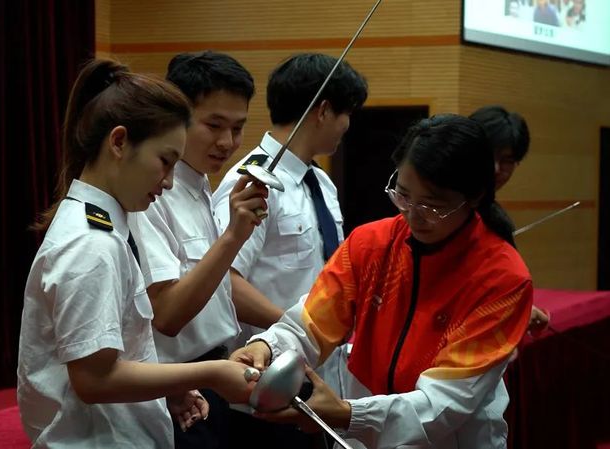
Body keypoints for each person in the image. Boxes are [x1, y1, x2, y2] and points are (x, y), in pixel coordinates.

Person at [231, 114, 534, 449]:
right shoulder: (371, 244)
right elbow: (313, 323)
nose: (413, 215)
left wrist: (349, 414)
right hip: (362, 433)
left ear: (474, 197)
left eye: (433, 207)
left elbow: (444, 404)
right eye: (402, 195)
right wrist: (267, 348)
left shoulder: (502, 280)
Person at [17, 59, 256, 449]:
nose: (168, 182)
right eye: (164, 162)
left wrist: (166, 387)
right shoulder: (92, 242)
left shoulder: (105, 225)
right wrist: (209, 374)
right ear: (119, 142)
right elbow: (94, 380)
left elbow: (118, 352)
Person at [212, 53, 367, 449]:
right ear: (324, 110)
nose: (348, 126)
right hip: (264, 385)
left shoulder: (322, 183)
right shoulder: (251, 180)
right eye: (347, 113)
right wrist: (301, 329)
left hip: (320, 385)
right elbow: (223, 282)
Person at [128, 50, 267, 449]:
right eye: (214, 125)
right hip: (180, 388)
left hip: (218, 373)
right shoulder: (153, 194)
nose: (228, 142)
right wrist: (233, 237)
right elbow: (167, 316)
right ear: (178, 117)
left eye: (237, 128)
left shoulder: (200, 182)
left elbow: (216, 287)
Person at [469, 105, 549, 334]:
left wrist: (517, 310)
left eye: (506, 160)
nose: (496, 168)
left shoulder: (496, 219)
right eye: (488, 155)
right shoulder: (439, 209)